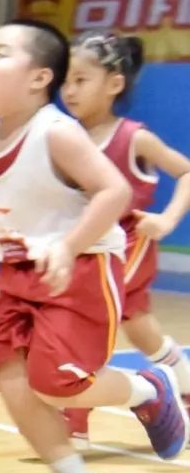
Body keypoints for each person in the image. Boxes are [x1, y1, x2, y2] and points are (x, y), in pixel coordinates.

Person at [0, 18, 186, 473]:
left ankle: (149, 387)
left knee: (55, 383)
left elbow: (114, 190)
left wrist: (69, 246)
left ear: (39, 78)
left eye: (0, 54)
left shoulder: (55, 132)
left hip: (82, 271)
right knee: (9, 376)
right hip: (20, 276)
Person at [59, 31, 190, 448]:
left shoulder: (134, 136)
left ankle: (75, 420)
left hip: (125, 244)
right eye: (66, 80)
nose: (70, 89)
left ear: (114, 84)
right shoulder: (64, 135)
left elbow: (186, 171)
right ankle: (183, 393)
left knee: (85, 322)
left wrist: (167, 219)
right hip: (84, 244)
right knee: (142, 332)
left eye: (81, 80)